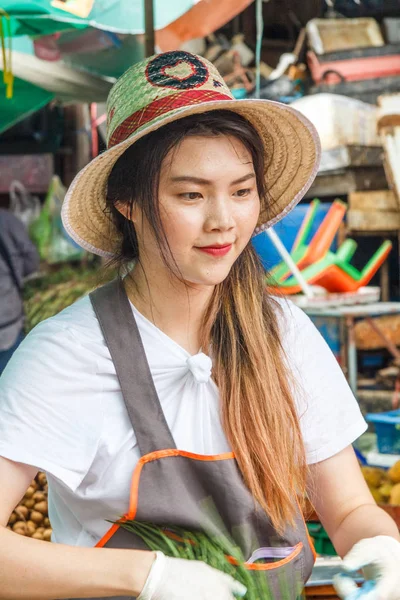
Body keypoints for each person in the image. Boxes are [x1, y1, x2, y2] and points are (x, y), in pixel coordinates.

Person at [0, 50, 399, 600]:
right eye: (190, 194)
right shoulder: (68, 353)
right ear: (127, 204)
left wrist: (380, 549)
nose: (223, 221)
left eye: (241, 191)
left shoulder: (283, 333)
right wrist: (148, 578)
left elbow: (351, 508)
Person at [0, 209, 39, 375]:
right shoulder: (7, 220)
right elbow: (31, 260)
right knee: (12, 379)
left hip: (8, 323)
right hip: (8, 324)